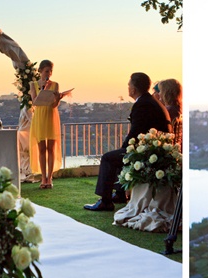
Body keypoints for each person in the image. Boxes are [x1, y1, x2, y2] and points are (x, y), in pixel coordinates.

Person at [84, 72, 172, 211]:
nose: (128, 88)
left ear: (133, 89)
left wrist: (124, 148)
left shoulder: (143, 104)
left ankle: (105, 201)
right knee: (121, 154)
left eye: (129, 85)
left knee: (108, 158)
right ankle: (120, 194)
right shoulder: (149, 101)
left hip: (151, 153)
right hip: (155, 149)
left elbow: (136, 132)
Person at [29, 60, 70, 189]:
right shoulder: (33, 84)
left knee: (51, 148)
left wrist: (58, 98)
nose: (49, 73)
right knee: (41, 148)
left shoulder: (55, 85)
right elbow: (34, 102)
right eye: (47, 71)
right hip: (39, 116)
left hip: (51, 116)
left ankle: (50, 177)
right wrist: (43, 89)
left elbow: (54, 105)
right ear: (40, 71)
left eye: (51, 71)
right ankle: (43, 177)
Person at [158, 78, 182, 147]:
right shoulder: (178, 109)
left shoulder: (168, 112)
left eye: (160, 91)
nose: (159, 94)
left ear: (166, 93)